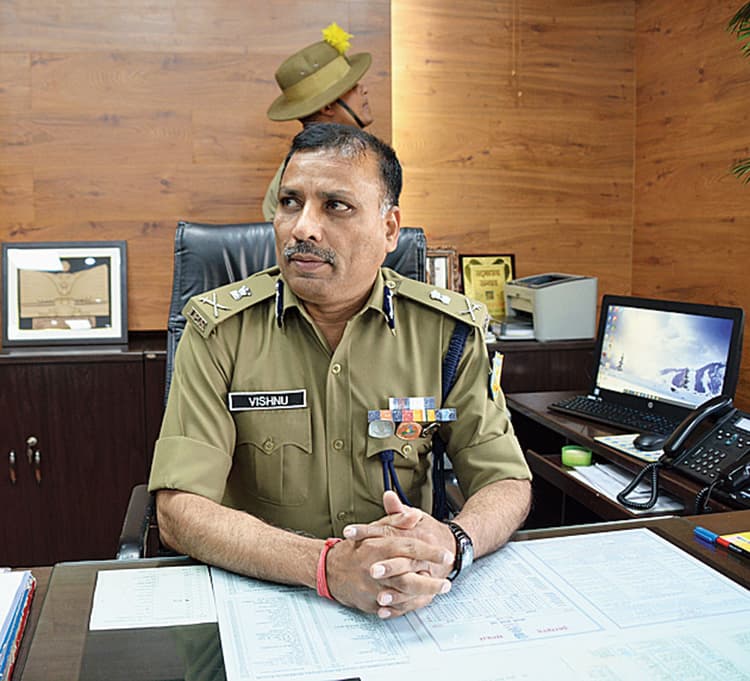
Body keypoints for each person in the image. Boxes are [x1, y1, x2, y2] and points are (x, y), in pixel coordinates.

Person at [148, 123, 532, 619]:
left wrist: (453, 542)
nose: (302, 228)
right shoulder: (218, 331)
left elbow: (506, 482)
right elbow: (178, 511)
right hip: (265, 595)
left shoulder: (446, 333)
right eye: (290, 202)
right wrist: (327, 566)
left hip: (405, 602)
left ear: (389, 229)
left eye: (335, 206)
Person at [262, 22, 374, 221]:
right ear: (327, 107)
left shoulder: (355, 158)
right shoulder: (309, 170)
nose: (363, 90)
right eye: (352, 86)